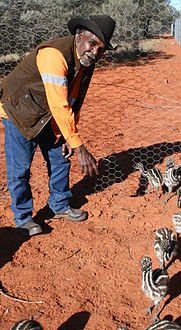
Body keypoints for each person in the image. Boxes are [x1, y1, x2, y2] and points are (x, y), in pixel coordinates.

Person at [0, 15, 116, 236]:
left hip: (48, 115)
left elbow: (74, 100)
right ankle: (23, 218)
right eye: (92, 44)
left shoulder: (86, 63)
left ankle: (59, 204)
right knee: (20, 169)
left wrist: (68, 137)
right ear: (79, 35)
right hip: (19, 111)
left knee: (61, 159)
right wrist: (79, 145)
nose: (95, 53)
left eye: (101, 50)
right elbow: (59, 103)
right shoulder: (54, 54)